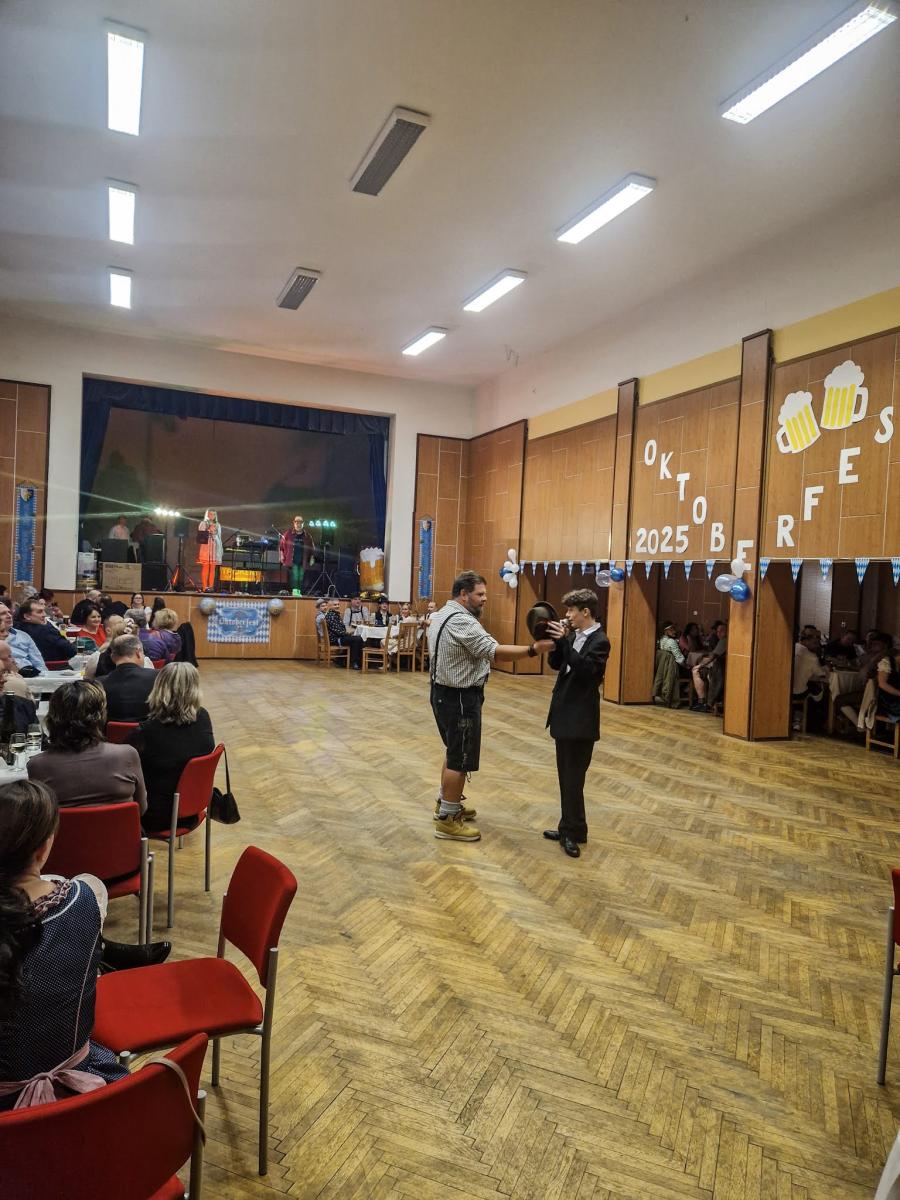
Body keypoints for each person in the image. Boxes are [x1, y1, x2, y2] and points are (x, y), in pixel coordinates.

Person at [0, 780, 169, 1111]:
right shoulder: (82, 900)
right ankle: (107, 955)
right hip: (80, 1099)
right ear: (43, 849)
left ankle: (108, 957)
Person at [428, 571, 554, 842]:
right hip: (460, 699)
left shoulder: (441, 614)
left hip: (443, 694)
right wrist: (534, 649)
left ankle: (446, 803)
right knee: (459, 758)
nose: (485, 599)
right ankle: (448, 821)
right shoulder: (462, 620)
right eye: (480, 594)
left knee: (454, 752)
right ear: (464, 594)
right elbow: (495, 652)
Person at [542, 590, 610, 859]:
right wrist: (556, 643)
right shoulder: (573, 636)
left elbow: (586, 671)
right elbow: (558, 664)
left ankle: (571, 832)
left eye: (571, 610)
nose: (567, 615)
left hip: (580, 718)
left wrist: (565, 643)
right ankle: (573, 828)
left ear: (586, 612)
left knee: (573, 779)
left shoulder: (600, 640)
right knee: (566, 777)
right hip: (564, 714)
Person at [27, 681, 146, 814]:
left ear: (52, 718)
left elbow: (41, 819)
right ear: (100, 716)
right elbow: (141, 809)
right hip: (121, 828)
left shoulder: (37, 765)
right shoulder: (127, 755)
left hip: (65, 828)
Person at [127, 663, 215, 833]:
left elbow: (120, 766)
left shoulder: (146, 731)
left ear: (158, 688)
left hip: (151, 815)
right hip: (191, 809)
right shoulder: (203, 717)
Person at [100, 635, 157, 722]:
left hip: (109, 730)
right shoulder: (158, 678)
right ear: (138, 652)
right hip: (150, 729)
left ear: (113, 657)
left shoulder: (98, 684)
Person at [14, 597, 75, 664]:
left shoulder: (14, 630)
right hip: (56, 667)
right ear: (27, 616)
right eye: (40, 612)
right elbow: (72, 651)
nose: (44, 615)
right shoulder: (47, 630)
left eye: (44, 611)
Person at [792, 629, 828, 731]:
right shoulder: (812, 657)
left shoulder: (791, 647)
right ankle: (815, 723)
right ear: (806, 640)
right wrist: (826, 668)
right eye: (815, 642)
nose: (817, 645)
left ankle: (797, 718)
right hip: (797, 693)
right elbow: (820, 673)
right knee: (820, 690)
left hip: (784, 690)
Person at [691, 620, 727, 713]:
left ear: (726, 631)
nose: (718, 634)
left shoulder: (724, 640)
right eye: (717, 631)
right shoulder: (725, 640)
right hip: (723, 671)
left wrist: (700, 665)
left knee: (695, 671)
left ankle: (702, 702)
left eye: (721, 631)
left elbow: (713, 656)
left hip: (721, 673)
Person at [0, 604, 46, 675]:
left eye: (9, 612)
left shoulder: (23, 635)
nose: (9, 616)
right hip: (8, 676)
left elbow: (39, 664)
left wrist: (43, 677)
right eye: (3, 613)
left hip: (33, 676)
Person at [279, 515, 315, 597]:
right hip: (292, 560)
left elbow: (312, 548)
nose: (298, 524)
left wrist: (312, 558)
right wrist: (281, 556)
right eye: (296, 522)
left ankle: (298, 592)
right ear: (294, 523)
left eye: (300, 522)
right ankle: (295, 591)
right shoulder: (288, 534)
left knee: (301, 577)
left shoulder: (307, 536)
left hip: (303, 561)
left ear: (303, 523)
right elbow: (281, 546)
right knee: (295, 575)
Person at [653, 620, 685, 707]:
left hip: (662, 669)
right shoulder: (671, 642)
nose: (675, 631)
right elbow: (680, 659)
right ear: (665, 631)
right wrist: (687, 666)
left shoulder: (660, 641)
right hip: (672, 669)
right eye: (672, 629)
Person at [324, 599, 363, 669]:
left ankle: (342, 660)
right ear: (330, 606)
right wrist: (349, 633)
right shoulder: (331, 616)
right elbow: (338, 632)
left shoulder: (335, 614)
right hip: (336, 639)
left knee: (357, 638)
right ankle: (354, 662)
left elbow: (340, 630)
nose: (337, 606)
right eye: (335, 605)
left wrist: (349, 633)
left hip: (338, 637)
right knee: (358, 639)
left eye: (338, 604)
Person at [197, 509, 223, 592]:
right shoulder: (203, 523)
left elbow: (219, 537)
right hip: (206, 546)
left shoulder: (218, 525)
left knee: (212, 568)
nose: (212, 516)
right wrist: (209, 530)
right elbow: (201, 535)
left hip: (214, 546)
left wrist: (219, 547)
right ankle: (204, 587)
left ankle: (211, 587)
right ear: (207, 515)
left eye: (214, 514)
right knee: (205, 567)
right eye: (210, 514)